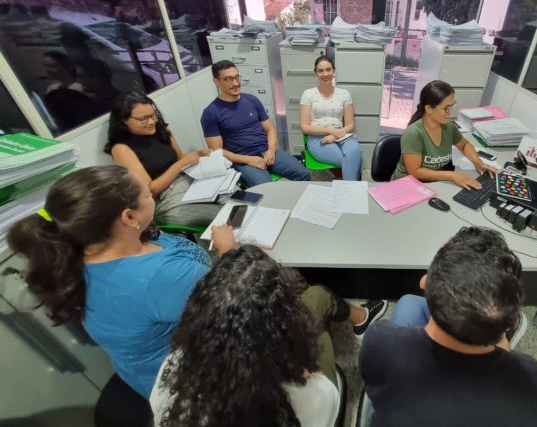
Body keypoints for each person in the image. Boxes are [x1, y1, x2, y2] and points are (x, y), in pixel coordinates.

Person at [6, 166, 236, 399]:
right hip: (192, 381)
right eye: (147, 194)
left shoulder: (78, 252)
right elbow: (235, 310)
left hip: (141, 372)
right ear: (129, 216)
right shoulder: (164, 276)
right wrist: (228, 252)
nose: (152, 196)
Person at [152, 245, 373, 426]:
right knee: (318, 305)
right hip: (312, 390)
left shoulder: (172, 370)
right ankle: (363, 317)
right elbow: (327, 394)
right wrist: (306, 363)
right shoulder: (309, 397)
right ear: (280, 329)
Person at [359, 227, 537, 427]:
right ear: (512, 320)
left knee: (409, 303)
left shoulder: (380, 341)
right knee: (410, 304)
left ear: (425, 283)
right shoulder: (536, 381)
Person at [104, 91, 221, 228]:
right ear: (124, 120)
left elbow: (180, 158)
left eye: (153, 115)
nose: (152, 121)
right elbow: (149, 190)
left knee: (234, 198)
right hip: (165, 198)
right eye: (143, 119)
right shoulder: (121, 149)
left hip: (188, 180)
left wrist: (197, 154)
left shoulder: (163, 131)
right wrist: (180, 164)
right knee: (220, 215)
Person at [201, 59, 311, 187]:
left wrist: (270, 150)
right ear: (216, 81)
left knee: (304, 174)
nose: (236, 83)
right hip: (244, 160)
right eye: (228, 79)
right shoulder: (211, 113)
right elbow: (217, 151)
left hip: (267, 152)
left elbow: (270, 128)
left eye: (237, 77)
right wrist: (249, 160)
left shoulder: (251, 100)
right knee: (267, 190)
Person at [392, 80, 496, 189]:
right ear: (429, 109)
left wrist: (478, 163)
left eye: (452, 105)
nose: (450, 111)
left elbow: (464, 145)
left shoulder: (448, 127)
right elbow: (415, 172)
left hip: (433, 183)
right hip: (407, 185)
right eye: (446, 108)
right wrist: (451, 175)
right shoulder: (413, 133)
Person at [300, 55, 362, 180]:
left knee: (355, 151)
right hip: (318, 140)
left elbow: (350, 124)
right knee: (349, 160)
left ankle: (345, 188)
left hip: (342, 135)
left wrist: (335, 135)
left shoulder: (344, 94)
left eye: (328, 69)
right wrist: (331, 131)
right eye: (320, 71)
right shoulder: (308, 94)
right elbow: (305, 127)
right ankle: (351, 193)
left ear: (333, 71)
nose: (325, 74)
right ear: (316, 73)